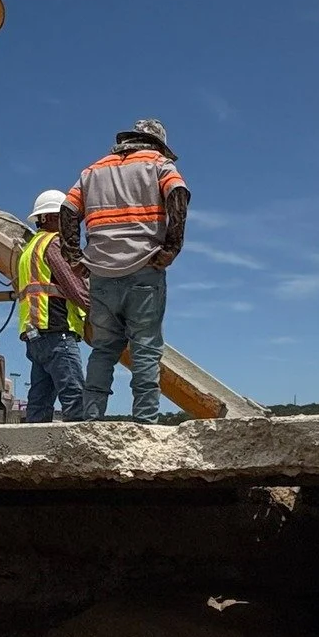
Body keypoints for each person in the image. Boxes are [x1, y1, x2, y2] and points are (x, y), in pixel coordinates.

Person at [59, 119, 188, 423]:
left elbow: (67, 210)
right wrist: (171, 248)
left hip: (101, 274)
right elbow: (178, 195)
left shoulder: (92, 171)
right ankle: (145, 422)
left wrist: (74, 256)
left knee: (103, 349)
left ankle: (91, 419)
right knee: (145, 348)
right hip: (144, 267)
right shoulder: (158, 163)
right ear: (157, 143)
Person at [14, 189, 87, 423]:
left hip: (35, 337)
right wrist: (100, 311)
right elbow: (74, 286)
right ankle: (81, 450)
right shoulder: (53, 244)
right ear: (51, 218)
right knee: (74, 395)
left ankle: (34, 452)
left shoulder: (29, 250)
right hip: (57, 333)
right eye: (64, 218)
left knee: (39, 399)